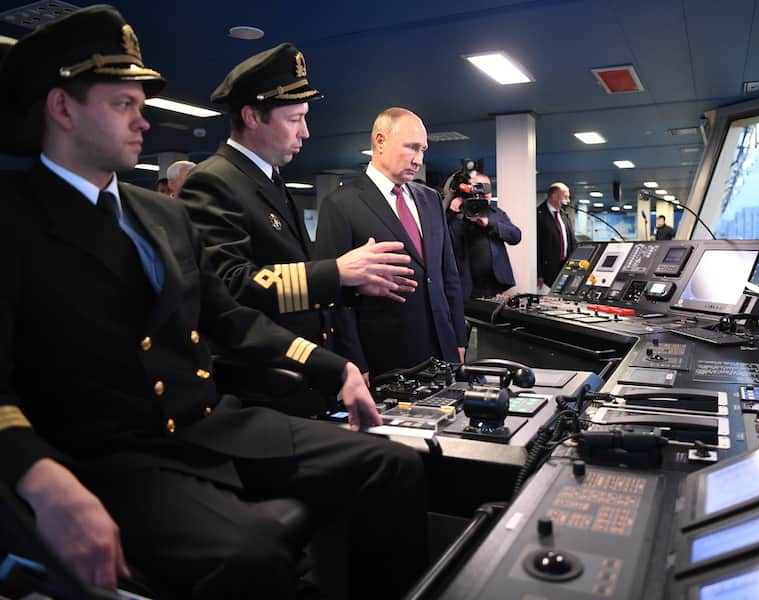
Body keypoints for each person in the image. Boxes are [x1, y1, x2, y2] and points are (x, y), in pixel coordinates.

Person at [0, 6, 426, 599]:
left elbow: (226, 314)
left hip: (209, 421)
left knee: (397, 464)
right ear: (62, 107)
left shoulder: (160, 213)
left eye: (142, 104)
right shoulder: (14, 218)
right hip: (112, 453)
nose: (143, 120)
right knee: (250, 552)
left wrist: (335, 368)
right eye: (124, 103)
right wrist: (40, 478)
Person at [180, 44, 416, 355]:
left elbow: (292, 274)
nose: (305, 132)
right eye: (294, 119)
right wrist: (336, 272)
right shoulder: (213, 181)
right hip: (257, 376)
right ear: (252, 117)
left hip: (295, 366)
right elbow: (228, 285)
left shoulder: (269, 179)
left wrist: (348, 285)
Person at [315, 107, 467, 379]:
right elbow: (334, 298)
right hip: (385, 356)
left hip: (443, 350)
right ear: (380, 141)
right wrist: (354, 363)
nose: (418, 159)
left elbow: (447, 276)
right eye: (411, 147)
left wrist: (458, 337)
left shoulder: (430, 199)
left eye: (423, 150)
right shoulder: (340, 204)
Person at [446, 172, 521, 298]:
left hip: (496, 284)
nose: (485, 192)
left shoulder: (496, 213)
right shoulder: (458, 213)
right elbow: (448, 241)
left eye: (487, 188)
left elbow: (516, 236)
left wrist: (489, 224)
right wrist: (453, 214)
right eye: (479, 188)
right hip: (466, 285)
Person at [536, 181, 575, 289]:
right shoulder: (538, 215)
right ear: (554, 196)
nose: (568, 201)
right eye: (566, 197)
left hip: (565, 268)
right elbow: (536, 247)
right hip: (547, 272)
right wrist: (539, 274)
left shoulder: (564, 215)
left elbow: (571, 242)